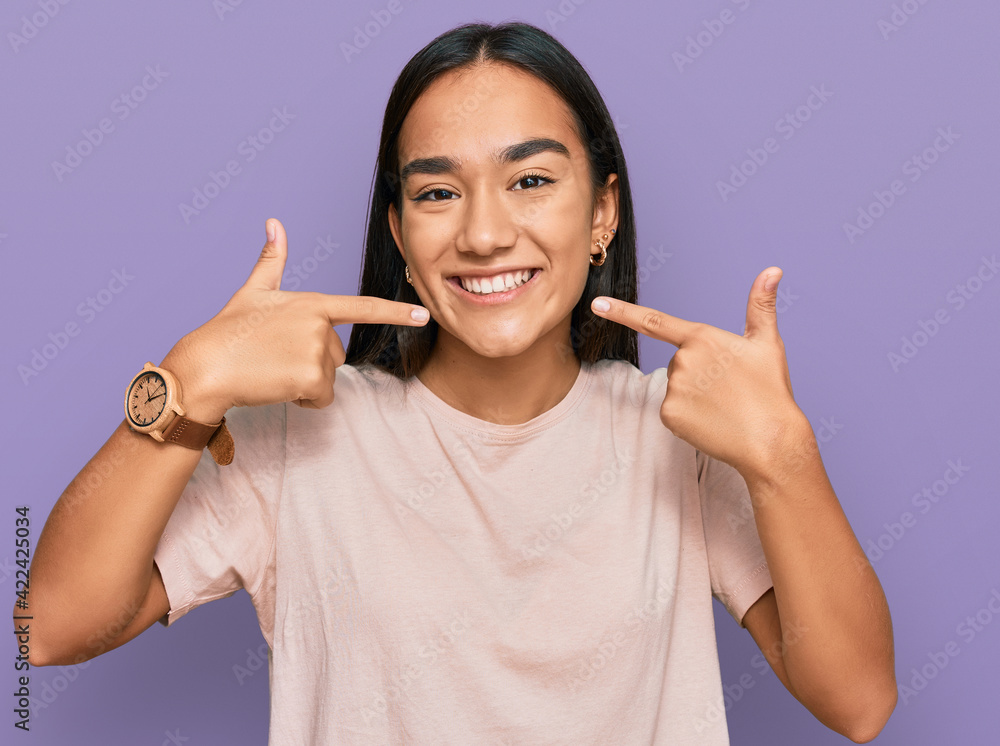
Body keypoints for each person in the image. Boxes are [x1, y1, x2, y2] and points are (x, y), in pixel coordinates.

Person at [24, 21, 896, 745]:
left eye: (531, 180)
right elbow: (51, 627)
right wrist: (190, 378)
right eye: (439, 192)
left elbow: (858, 701)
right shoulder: (295, 437)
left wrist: (785, 455)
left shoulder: (681, 438)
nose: (484, 233)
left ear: (602, 212)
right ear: (399, 233)